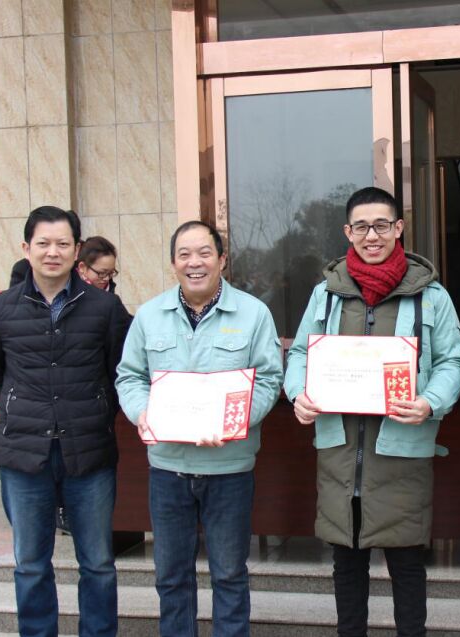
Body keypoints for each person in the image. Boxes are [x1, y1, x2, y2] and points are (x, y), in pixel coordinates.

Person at [284, 186, 460, 637]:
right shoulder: (326, 294)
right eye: (361, 227)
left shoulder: (430, 295)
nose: (372, 236)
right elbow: (301, 354)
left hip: (402, 449)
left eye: (381, 225)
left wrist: (430, 402)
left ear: (398, 228)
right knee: (346, 564)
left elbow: (452, 361)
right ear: (347, 232)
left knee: (407, 564)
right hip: (341, 452)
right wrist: (298, 393)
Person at [115, 221, 283, 636]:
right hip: (168, 469)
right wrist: (142, 412)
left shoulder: (253, 313)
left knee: (229, 574)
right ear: (173, 263)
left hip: (229, 469)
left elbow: (268, 379)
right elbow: (129, 376)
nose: (195, 262)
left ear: (222, 259)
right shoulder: (150, 316)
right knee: (172, 576)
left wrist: (234, 421)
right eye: (185, 254)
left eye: (205, 253)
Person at [0, 205, 131, 637]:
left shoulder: (105, 308)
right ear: (26, 248)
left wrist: (95, 410)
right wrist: (25, 410)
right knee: (30, 564)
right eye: (43, 243)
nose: (52, 252)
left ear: (76, 250)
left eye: (62, 243)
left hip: (90, 452)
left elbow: (119, 372)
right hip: (24, 455)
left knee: (98, 563)